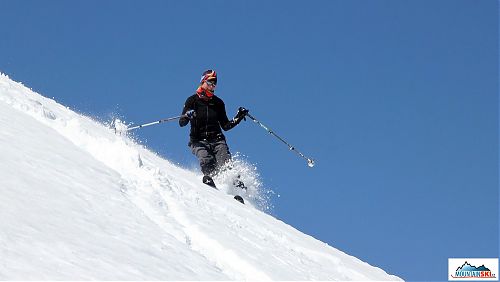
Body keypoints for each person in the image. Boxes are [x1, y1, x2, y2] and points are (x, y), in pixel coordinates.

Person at [179, 69, 249, 188]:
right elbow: (182, 122)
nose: (213, 86)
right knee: (206, 160)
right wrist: (187, 115)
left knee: (225, 163)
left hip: (217, 140)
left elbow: (225, 126)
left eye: (215, 83)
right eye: (210, 82)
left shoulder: (218, 103)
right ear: (203, 81)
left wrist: (238, 117)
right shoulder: (192, 100)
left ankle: (237, 189)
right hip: (198, 140)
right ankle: (212, 184)